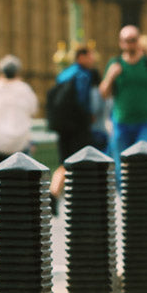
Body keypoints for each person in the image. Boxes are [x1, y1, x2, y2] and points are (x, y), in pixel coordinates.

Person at [98, 25, 147, 185]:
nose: (129, 44)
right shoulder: (115, 63)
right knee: (120, 165)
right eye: (126, 41)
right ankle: (124, 197)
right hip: (121, 123)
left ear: (138, 41)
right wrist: (110, 76)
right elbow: (104, 94)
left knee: (143, 161)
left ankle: (141, 193)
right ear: (120, 43)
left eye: (133, 40)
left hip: (145, 122)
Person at [0, 55, 38, 218]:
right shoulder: (24, 89)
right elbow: (33, 109)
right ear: (18, 72)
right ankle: (18, 209)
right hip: (19, 143)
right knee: (19, 179)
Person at [48, 45, 101, 211]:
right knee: (82, 160)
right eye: (90, 56)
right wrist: (90, 115)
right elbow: (83, 100)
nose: (93, 60)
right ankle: (82, 199)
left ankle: (54, 191)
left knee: (64, 162)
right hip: (78, 127)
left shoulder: (64, 74)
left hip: (62, 126)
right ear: (81, 57)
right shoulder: (83, 75)